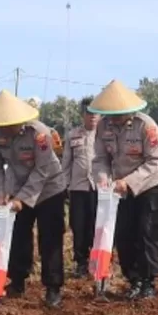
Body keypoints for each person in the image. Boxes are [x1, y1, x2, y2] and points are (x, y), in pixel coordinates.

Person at [91, 79, 158, 300]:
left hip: (151, 186)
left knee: (147, 233)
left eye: (119, 114)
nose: (114, 119)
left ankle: (148, 282)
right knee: (124, 234)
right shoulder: (103, 126)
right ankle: (133, 279)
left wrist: (129, 181)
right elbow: (100, 158)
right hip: (120, 189)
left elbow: (155, 161)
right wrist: (103, 178)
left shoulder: (146, 125)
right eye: (111, 115)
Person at [0, 89, 66, 307]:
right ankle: (17, 281)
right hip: (18, 188)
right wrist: (0, 191)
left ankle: (53, 287)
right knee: (17, 236)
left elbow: (42, 170)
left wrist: (22, 198)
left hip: (49, 190)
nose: (7, 129)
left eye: (10, 124)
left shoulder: (39, 133)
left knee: (50, 238)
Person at [62, 96, 100, 278]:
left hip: (99, 188)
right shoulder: (72, 135)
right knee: (78, 226)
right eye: (89, 113)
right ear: (82, 115)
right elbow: (66, 164)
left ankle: (97, 261)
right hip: (78, 188)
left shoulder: (105, 135)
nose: (92, 117)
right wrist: (65, 186)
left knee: (96, 226)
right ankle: (80, 262)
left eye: (95, 114)